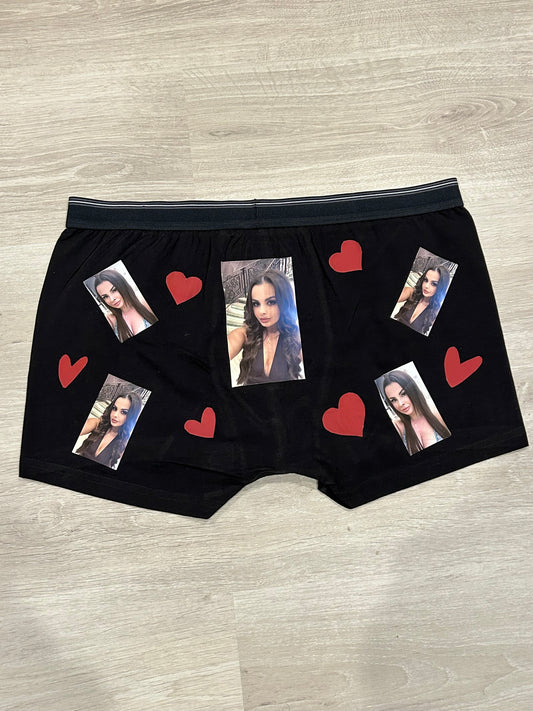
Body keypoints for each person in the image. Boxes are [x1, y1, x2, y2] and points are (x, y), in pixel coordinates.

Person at [227, 269, 303, 386]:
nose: (262, 311)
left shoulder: (296, 337)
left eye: (271, 302)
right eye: (256, 304)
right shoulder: (244, 335)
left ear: (285, 302)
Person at [382, 370, 450, 454]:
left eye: (403, 394)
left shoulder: (436, 414)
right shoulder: (398, 426)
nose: (400, 403)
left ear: (413, 390)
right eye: (393, 400)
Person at [76, 390, 143, 469]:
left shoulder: (124, 443)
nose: (115, 415)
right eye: (114, 408)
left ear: (131, 416)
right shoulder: (97, 424)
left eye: (123, 412)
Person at [94, 269, 157, 342]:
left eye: (114, 290)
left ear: (123, 285)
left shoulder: (144, 303)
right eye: (105, 297)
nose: (112, 299)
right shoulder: (111, 319)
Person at [393, 262, 450, 335]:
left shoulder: (435, 311)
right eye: (425, 280)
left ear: (441, 288)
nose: (426, 286)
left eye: (434, 284)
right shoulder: (411, 293)